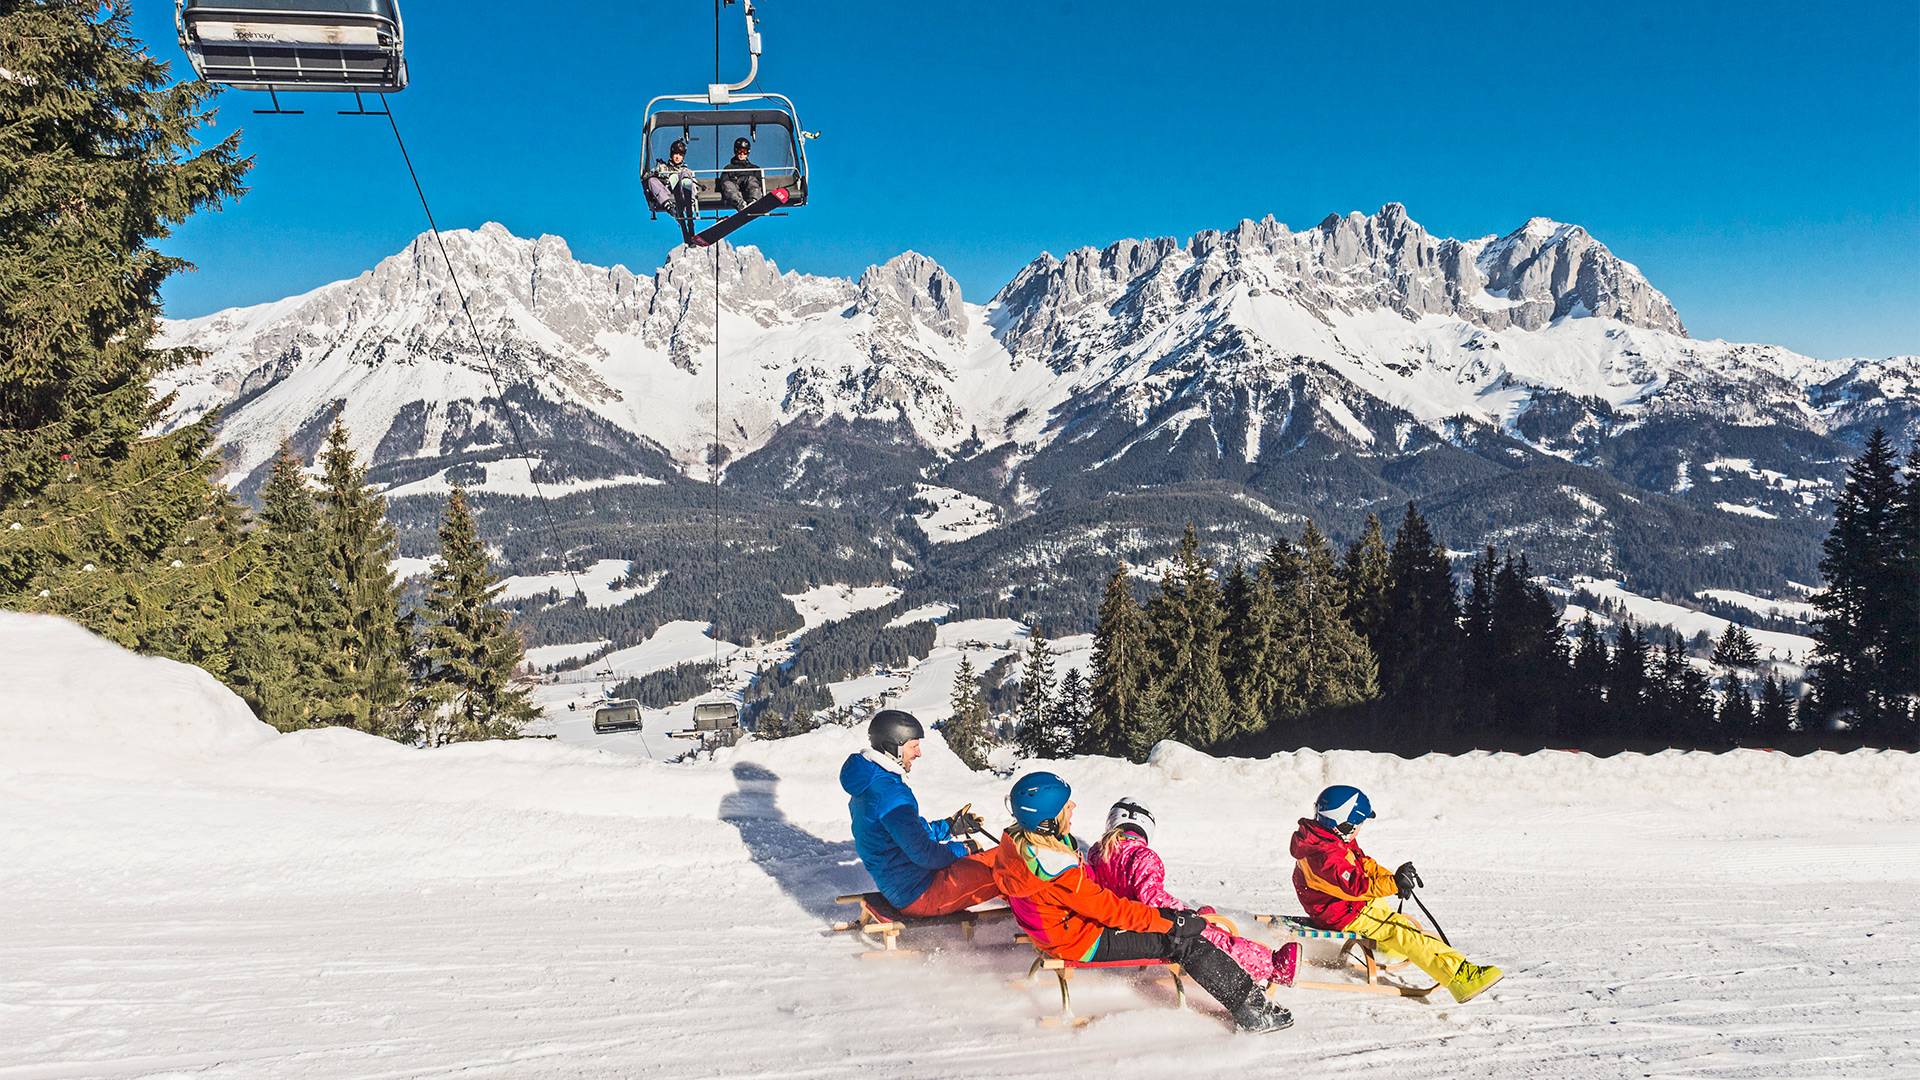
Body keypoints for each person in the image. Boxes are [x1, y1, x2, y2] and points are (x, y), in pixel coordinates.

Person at [993, 772, 1294, 1033]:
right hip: (1081, 939)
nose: (1073, 806)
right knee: (1184, 941)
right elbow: (1113, 912)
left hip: (1057, 930)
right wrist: (1172, 921)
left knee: (1173, 930)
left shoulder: (1016, 846)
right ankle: (1252, 1011)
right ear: (1046, 821)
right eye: (1065, 804)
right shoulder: (1057, 870)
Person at [1290, 785, 1504, 1003]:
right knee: (1403, 932)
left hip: (1349, 905)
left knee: (1399, 924)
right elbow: (1357, 886)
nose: (1359, 829)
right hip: (1347, 913)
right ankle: (1460, 977)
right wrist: (1392, 884)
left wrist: (1394, 879)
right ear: (1342, 824)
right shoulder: (1324, 857)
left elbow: (1364, 864)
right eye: (1358, 824)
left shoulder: (1328, 839)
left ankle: (1387, 947)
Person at [1086, 797, 1299, 990]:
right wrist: (1187, 914)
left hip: (1115, 927)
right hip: (1145, 925)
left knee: (1201, 923)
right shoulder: (1142, 856)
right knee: (1210, 935)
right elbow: (1152, 898)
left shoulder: (1098, 853)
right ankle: (1273, 967)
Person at [839, 709, 1002, 917]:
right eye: (913, 746)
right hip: (922, 893)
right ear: (894, 748)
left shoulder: (872, 783)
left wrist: (949, 828)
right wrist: (963, 849)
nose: (918, 753)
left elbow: (906, 834)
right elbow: (925, 855)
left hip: (904, 885)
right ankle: (1038, 919)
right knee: (1010, 865)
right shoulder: (891, 795)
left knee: (1000, 858)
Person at [645, 138, 700, 244]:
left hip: (683, 192)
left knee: (685, 174)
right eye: (675, 154)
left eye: (680, 154)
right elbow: (652, 177)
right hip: (669, 193)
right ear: (671, 154)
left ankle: (689, 205)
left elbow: (694, 184)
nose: (677, 157)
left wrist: (688, 181)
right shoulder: (663, 167)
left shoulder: (687, 170)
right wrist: (655, 173)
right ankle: (671, 209)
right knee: (652, 180)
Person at [718, 136, 764, 210]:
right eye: (740, 151)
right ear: (736, 151)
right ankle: (741, 204)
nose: (742, 154)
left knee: (751, 179)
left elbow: (760, 181)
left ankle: (754, 200)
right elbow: (724, 183)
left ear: (748, 153)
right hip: (735, 190)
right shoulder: (729, 168)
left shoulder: (754, 168)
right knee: (727, 184)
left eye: (744, 151)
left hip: (749, 189)